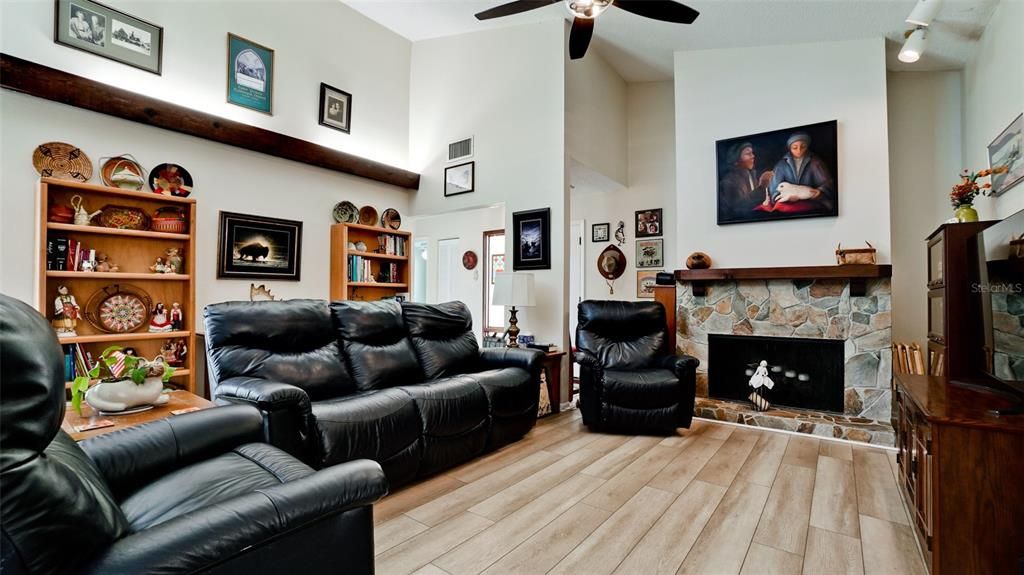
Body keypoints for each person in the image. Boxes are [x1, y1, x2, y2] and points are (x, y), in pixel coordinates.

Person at [767, 132, 835, 212]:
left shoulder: (815, 162)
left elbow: (827, 183)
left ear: (807, 147)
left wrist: (819, 192)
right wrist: (783, 197)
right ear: (790, 148)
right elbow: (774, 188)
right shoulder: (781, 165)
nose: (799, 150)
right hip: (787, 202)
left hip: (811, 201)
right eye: (795, 148)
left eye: (803, 147)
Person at [719, 142, 774, 219]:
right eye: (748, 154)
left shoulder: (751, 175)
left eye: (752, 153)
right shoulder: (729, 182)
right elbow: (739, 208)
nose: (753, 156)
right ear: (736, 160)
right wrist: (762, 186)